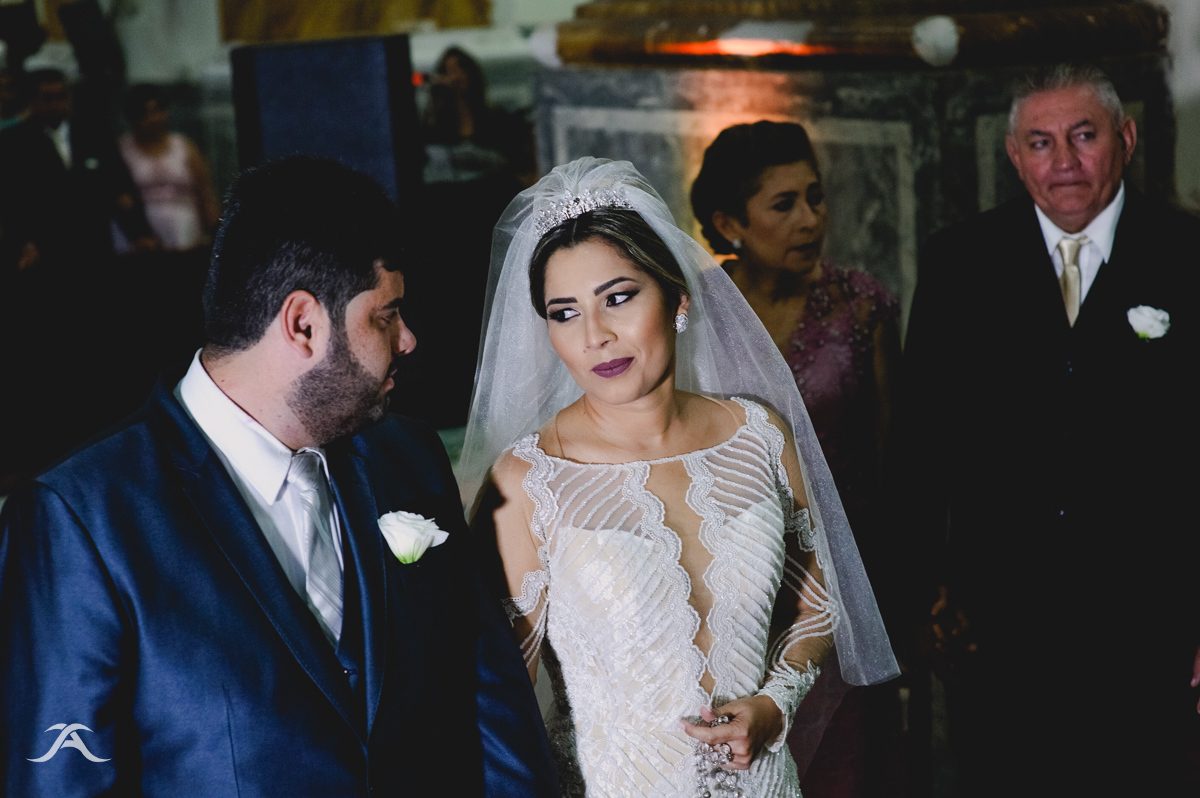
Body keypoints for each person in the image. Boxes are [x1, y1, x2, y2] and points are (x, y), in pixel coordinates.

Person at [0, 157, 557, 797]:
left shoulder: (406, 457)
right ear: (302, 324)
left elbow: (489, 706)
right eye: (385, 315)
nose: (407, 340)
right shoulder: (80, 519)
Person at [461, 157, 898, 797]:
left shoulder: (758, 434)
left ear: (678, 299)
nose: (595, 336)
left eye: (618, 298)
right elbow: (496, 700)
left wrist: (774, 703)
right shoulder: (530, 483)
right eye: (564, 312)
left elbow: (817, 600)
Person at [901, 64, 1200, 795]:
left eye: (1083, 136)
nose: (1063, 161)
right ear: (1015, 155)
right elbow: (918, 445)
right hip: (997, 629)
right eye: (1040, 142)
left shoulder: (1189, 253)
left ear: (1126, 139)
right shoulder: (959, 260)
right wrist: (920, 594)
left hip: (1151, 628)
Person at [692, 121, 904, 797]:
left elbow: (894, 460)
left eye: (815, 197)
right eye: (783, 204)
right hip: (730, 585)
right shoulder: (693, 311)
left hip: (840, 587)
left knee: (847, 768)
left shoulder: (861, 307)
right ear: (729, 223)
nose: (810, 220)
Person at [0, 67, 155, 274]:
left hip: (94, 247)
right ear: (34, 100)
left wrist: (139, 232)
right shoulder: (14, 143)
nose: (56, 104)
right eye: (48, 98)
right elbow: (11, 201)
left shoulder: (94, 133)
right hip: (45, 254)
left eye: (61, 97)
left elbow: (120, 187)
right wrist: (23, 243)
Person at [117, 83, 220, 252]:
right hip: (138, 246)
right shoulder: (121, 150)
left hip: (187, 242)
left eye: (157, 111)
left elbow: (205, 196)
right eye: (144, 114)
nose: (153, 119)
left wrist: (215, 235)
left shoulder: (185, 148)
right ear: (132, 117)